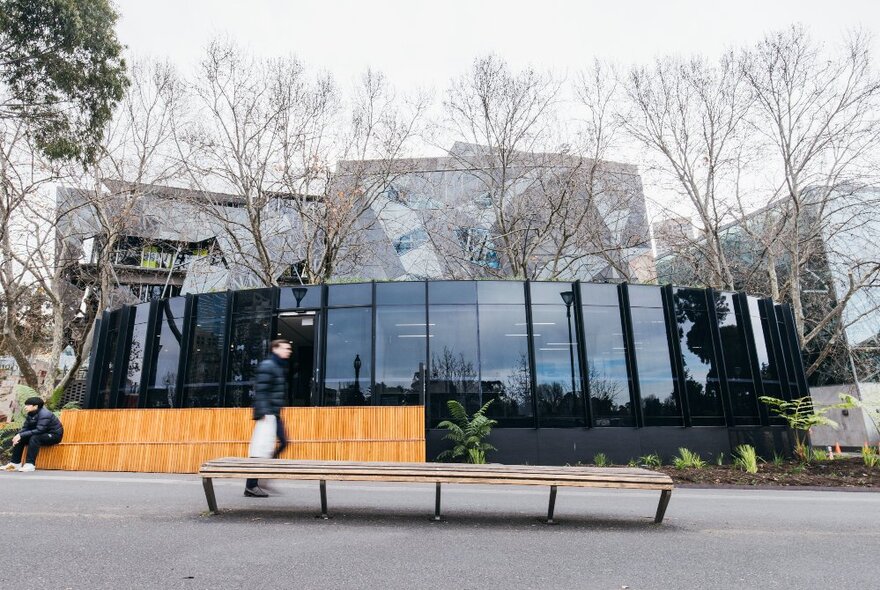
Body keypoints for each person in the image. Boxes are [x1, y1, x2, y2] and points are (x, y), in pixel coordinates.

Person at [244, 339, 291, 497]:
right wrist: (263, 413)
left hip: (274, 412)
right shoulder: (268, 365)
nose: (289, 351)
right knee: (260, 449)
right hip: (267, 413)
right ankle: (251, 485)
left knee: (283, 442)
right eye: (286, 348)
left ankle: (263, 476)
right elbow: (262, 391)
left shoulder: (278, 366)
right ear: (275, 348)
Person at [2, 397, 63, 472]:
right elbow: (25, 428)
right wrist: (18, 435)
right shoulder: (31, 414)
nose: (25, 407)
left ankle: (30, 464)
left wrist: (21, 435)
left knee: (35, 438)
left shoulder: (45, 414)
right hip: (41, 434)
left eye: (28, 405)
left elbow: (40, 429)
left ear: (35, 406)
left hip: (53, 435)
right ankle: (15, 464)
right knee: (20, 438)